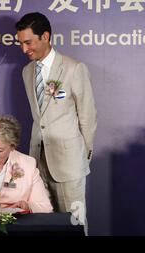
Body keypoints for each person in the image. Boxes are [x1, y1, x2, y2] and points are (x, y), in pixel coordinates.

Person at [15, 12, 97, 222]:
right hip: (37, 160)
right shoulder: (27, 71)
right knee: (42, 223)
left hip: (68, 163)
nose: (24, 49)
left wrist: (81, 155)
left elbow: (87, 117)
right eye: (21, 43)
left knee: (74, 223)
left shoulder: (73, 68)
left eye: (29, 42)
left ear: (45, 36)